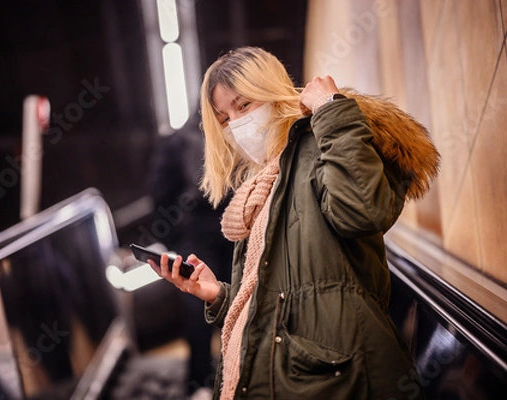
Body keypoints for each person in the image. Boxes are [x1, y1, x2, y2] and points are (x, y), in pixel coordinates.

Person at [150, 46, 440, 399]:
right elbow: (284, 303)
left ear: (272, 93)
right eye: (224, 118)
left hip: (337, 381)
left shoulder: (318, 150)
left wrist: (332, 110)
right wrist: (220, 295)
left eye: (244, 105)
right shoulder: (263, 185)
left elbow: (363, 212)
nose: (237, 125)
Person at [146, 112, 233, 397]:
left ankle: (200, 385)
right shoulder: (228, 137)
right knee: (235, 304)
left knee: (198, 312)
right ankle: (237, 375)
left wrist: (173, 238)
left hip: (195, 237)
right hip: (233, 233)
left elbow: (159, 195)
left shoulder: (175, 142)